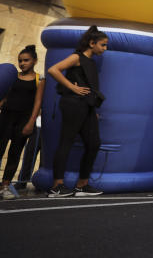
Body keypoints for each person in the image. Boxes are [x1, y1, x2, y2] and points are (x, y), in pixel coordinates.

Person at [46, 26, 109, 197]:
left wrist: (92, 109)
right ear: (91, 43)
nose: (104, 49)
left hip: (86, 106)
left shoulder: (91, 62)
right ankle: (57, 186)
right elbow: (53, 70)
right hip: (73, 104)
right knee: (66, 142)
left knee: (94, 143)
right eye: (103, 45)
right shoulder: (77, 57)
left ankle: (82, 185)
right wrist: (72, 88)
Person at [0, 45, 44, 200]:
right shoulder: (12, 77)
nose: (22, 63)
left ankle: (5, 186)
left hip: (24, 120)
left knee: (14, 154)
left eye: (26, 60)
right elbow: (4, 96)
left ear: (34, 61)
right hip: (5, 117)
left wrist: (31, 122)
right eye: (20, 61)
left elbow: (38, 103)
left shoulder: (39, 79)